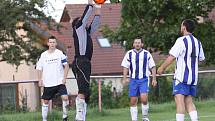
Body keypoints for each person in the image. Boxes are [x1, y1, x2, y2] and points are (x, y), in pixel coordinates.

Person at [157, 19, 205, 121]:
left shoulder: (181, 40)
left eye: (181, 25)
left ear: (184, 27)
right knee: (189, 101)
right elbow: (201, 59)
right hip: (193, 78)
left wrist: (161, 68)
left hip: (181, 77)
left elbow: (172, 57)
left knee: (179, 101)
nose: (180, 27)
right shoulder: (198, 42)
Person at [71, 0, 101, 120]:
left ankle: (82, 116)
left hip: (85, 63)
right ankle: (79, 116)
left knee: (86, 92)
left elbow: (96, 23)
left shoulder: (86, 33)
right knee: (83, 90)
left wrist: (98, 6)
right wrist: (90, 3)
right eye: (82, 22)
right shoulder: (78, 29)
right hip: (81, 61)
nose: (85, 23)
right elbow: (86, 14)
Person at [121, 38, 157, 121]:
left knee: (144, 99)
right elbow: (125, 66)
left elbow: (153, 66)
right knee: (133, 101)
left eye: (139, 43)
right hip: (133, 80)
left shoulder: (147, 54)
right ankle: (134, 119)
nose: (137, 44)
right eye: (135, 43)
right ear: (133, 44)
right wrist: (124, 78)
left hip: (144, 79)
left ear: (142, 44)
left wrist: (154, 79)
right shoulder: (129, 54)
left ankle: (144, 117)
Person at [36, 36, 69, 121]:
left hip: (59, 82)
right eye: (50, 42)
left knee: (65, 98)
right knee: (45, 102)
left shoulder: (59, 53)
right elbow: (39, 68)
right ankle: (44, 119)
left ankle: (65, 117)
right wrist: (40, 80)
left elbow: (66, 66)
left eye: (54, 42)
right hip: (48, 83)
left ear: (56, 44)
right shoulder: (43, 55)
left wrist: (64, 78)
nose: (52, 44)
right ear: (48, 44)